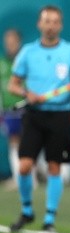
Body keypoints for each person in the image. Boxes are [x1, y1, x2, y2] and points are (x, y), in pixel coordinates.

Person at [8, 5, 70, 232]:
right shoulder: (28, 52)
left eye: (55, 21)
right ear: (39, 24)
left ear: (60, 25)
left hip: (60, 113)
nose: (51, 25)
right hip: (34, 114)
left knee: (55, 166)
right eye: (47, 21)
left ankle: (50, 218)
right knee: (24, 166)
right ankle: (26, 211)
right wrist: (27, 93)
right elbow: (12, 84)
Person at [1, 28, 23, 188]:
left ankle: (32, 176)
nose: (10, 45)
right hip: (9, 109)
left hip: (27, 107)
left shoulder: (25, 61)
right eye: (7, 41)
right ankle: (19, 177)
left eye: (12, 41)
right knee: (13, 141)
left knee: (31, 142)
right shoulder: (2, 63)